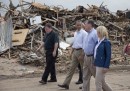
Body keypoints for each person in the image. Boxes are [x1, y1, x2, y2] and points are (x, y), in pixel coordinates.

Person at [58, 20, 88, 89]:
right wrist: (71, 52)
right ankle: (66, 84)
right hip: (75, 51)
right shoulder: (76, 33)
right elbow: (74, 43)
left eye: (79, 25)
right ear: (75, 25)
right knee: (71, 68)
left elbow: (84, 44)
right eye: (77, 25)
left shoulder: (84, 33)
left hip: (81, 51)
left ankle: (85, 85)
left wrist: (82, 54)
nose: (78, 26)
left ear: (81, 25)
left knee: (83, 69)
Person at [94, 26, 112, 91]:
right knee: (103, 83)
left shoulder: (106, 42)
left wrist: (106, 66)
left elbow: (108, 55)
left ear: (101, 32)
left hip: (102, 65)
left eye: (98, 32)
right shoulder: (98, 42)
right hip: (97, 64)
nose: (97, 33)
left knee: (98, 82)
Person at [82, 20, 98, 91]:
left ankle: (107, 89)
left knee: (97, 77)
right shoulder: (87, 34)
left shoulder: (95, 34)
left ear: (90, 25)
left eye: (85, 24)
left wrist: (96, 59)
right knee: (85, 76)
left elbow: (98, 47)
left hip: (92, 58)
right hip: (86, 57)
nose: (84, 26)